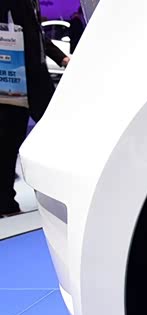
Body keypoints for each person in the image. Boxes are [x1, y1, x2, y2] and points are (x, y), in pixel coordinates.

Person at [0, 0, 69, 217]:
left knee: (51, 136)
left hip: (34, 80)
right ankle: (5, 202)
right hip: (13, 81)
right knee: (8, 143)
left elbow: (35, 35)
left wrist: (61, 57)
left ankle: (57, 192)